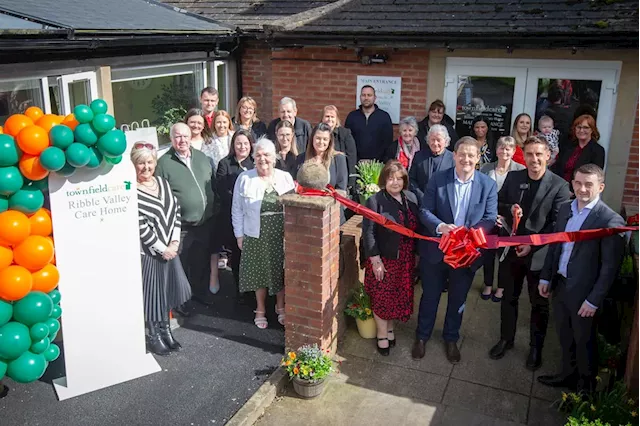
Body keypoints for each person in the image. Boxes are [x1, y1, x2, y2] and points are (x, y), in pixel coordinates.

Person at [537, 164, 625, 394]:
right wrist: (546, 277)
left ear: (601, 187)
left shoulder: (609, 220)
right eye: (578, 183)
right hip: (561, 285)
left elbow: (609, 267)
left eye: (589, 184)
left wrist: (594, 300)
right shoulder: (566, 209)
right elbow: (556, 246)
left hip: (585, 295)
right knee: (565, 336)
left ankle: (585, 391)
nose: (582, 189)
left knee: (584, 341)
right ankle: (567, 375)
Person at [489, 135, 572, 371]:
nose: (534, 159)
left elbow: (558, 224)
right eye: (529, 154)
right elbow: (498, 203)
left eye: (538, 154)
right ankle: (506, 339)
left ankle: (535, 348)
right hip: (512, 249)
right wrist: (509, 208)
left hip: (539, 255)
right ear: (523, 156)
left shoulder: (559, 186)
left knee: (539, 304)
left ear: (548, 155)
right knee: (508, 298)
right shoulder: (514, 177)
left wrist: (533, 245)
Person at [412, 136, 498, 364]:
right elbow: (425, 210)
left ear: (478, 158)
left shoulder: (487, 185)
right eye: (462, 155)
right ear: (454, 156)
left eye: (471, 155)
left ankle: (451, 338)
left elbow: (490, 218)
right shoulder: (438, 180)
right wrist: (440, 226)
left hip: (466, 253)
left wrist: (470, 234)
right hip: (436, 251)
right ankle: (422, 337)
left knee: (458, 299)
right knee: (429, 296)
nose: (466, 159)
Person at [132, 142, 191, 355]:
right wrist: (161, 248)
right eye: (140, 163)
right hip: (150, 253)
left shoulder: (163, 183)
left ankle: (166, 330)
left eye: (149, 162)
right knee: (153, 294)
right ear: (134, 165)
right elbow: (141, 227)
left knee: (167, 292)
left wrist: (174, 243)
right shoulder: (132, 192)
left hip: (170, 249)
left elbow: (175, 212)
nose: (146, 167)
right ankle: (153, 335)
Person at [232, 138, 296, 329]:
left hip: (281, 233)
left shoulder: (284, 177)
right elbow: (236, 209)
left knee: (280, 269)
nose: (262, 159)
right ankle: (260, 309)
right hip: (255, 233)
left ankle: (280, 306)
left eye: (266, 154)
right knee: (259, 272)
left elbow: (294, 207)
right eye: (258, 155)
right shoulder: (245, 178)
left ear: (274, 157)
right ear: (253, 158)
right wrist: (239, 235)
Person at [155, 123, 216, 308]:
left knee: (201, 263)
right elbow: (161, 196)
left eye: (185, 136)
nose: (182, 140)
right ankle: (181, 301)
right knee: (180, 266)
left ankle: (199, 295)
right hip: (180, 226)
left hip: (205, 222)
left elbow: (211, 183)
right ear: (172, 139)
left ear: (191, 137)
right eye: (177, 137)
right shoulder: (164, 163)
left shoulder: (201, 157)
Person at [363, 160, 419, 356]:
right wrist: (375, 260)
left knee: (396, 296)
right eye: (391, 178)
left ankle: (390, 329)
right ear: (384, 180)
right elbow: (368, 233)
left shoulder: (411, 198)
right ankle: (381, 334)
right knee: (381, 297)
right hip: (384, 259)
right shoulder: (375, 201)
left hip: (405, 259)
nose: (395, 182)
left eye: (399, 178)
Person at [479, 136, 526, 302]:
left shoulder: (520, 170)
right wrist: (491, 215)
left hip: (508, 220)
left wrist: (507, 215)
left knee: (505, 256)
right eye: (501, 147)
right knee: (489, 254)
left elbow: (520, 198)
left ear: (513, 151)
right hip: (489, 219)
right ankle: (487, 284)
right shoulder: (486, 168)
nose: (504, 151)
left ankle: (501, 288)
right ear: (496, 150)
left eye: (508, 148)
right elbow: (480, 194)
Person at [216, 129, 255, 303]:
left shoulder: (254, 162)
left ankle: (254, 286)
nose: (242, 147)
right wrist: (241, 201)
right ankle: (240, 289)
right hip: (233, 216)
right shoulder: (225, 163)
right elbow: (222, 190)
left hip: (253, 217)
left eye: (246, 143)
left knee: (252, 253)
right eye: (239, 143)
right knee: (238, 253)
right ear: (233, 145)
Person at [345, 85, 393, 161]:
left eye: (369, 95)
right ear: (360, 97)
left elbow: (387, 142)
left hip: (378, 165)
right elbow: (347, 141)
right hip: (355, 163)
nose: (366, 98)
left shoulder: (384, 117)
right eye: (363, 95)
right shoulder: (352, 117)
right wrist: (356, 159)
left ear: (375, 98)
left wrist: (377, 161)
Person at [552, 114, 605, 184]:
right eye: (579, 127)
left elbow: (594, 176)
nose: (581, 130)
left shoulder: (598, 151)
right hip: (560, 187)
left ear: (592, 130)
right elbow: (557, 167)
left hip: (581, 190)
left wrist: (573, 190)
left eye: (586, 127)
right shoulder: (567, 146)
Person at [408, 124, 455, 201]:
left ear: (446, 141)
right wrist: (421, 196)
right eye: (432, 139)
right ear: (428, 140)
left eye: (438, 140)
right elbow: (411, 179)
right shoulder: (419, 156)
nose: (435, 143)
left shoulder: (452, 159)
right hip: (421, 201)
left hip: (444, 202)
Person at [321, 105, 357, 187]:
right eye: (327, 116)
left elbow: (352, 158)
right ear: (322, 118)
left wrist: (351, 181)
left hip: (340, 177)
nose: (330, 119)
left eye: (332, 117)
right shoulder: (317, 133)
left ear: (336, 119)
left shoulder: (345, 134)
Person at [201, 110, 235, 174]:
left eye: (224, 122)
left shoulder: (235, 137)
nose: (221, 125)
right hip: (215, 174)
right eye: (218, 122)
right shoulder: (208, 140)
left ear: (229, 123)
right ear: (214, 124)